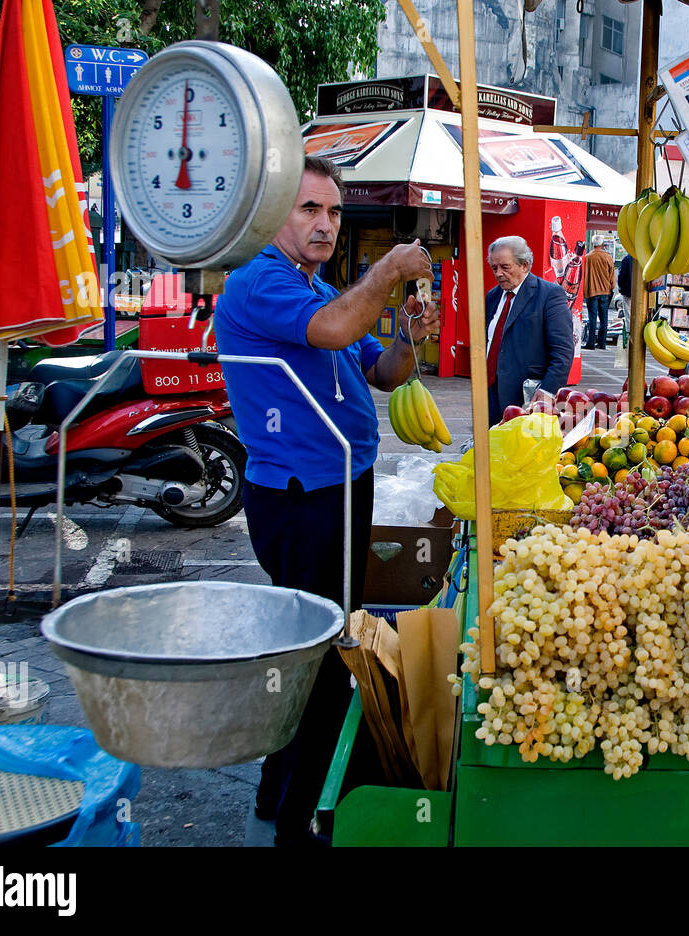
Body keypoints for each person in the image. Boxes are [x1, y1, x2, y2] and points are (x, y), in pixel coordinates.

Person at [213, 155, 437, 845]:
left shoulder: (318, 288)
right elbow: (337, 331)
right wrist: (390, 271)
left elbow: (381, 368)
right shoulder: (261, 285)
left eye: (335, 212)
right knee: (318, 664)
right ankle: (291, 826)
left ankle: (275, 797)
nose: (325, 224)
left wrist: (408, 334)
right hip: (301, 499)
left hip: (344, 483)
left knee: (309, 652)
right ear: (275, 213)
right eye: (309, 209)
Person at [484, 235, 575, 425]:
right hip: (490, 392)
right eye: (494, 268)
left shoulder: (549, 295)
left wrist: (547, 391)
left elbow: (563, 351)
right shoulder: (492, 297)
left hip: (528, 397)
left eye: (505, 267)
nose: (498, 273)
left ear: (524, 265)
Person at [582, 237, 615, 350]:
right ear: (602, 244)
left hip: (592, 291)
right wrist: (612, 287)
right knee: (604, 319)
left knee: (592, 318)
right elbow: (612, 276)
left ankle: (590, 343)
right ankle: (602, 343)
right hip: (605, 292)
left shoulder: (587, 258)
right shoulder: (607, 257)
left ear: (592, 244)